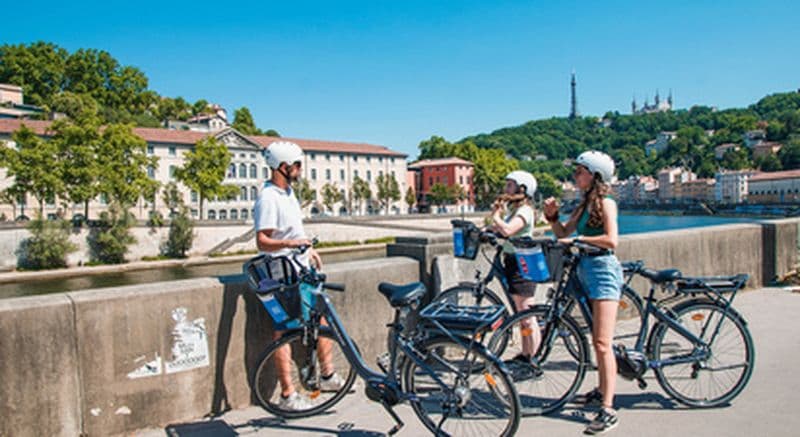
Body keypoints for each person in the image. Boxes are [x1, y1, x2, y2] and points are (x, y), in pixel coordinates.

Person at [253, 141, 343, 411]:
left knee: (321, 318)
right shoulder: (268, 198)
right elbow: (262, 241)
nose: (301, 170)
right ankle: (288, 394)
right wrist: (293, 245)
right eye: (297, 165)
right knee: (283, 330)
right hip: (282, 272)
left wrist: (308, 249)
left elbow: (293, 230)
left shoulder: (288, 192)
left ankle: (326, 375)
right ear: (282, 167)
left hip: (300, 268)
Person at [542, 150, 623, 435]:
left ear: (595, 175)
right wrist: (552, 218)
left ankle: (608, 409)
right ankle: (601, 389)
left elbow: (612, 241)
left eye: (580, 171)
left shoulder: (607, 204)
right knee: (596, 338)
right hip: (584, 269)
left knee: (602, 343)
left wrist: (581, 238)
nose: (575, 176)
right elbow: (563, 234)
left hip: (602, 271)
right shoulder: (583, 205)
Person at [489, 170, 543, 379]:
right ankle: (525, 354)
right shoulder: (515, 209)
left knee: (527, 316)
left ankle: (533, 360)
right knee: (522, 315)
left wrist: (496, 217)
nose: (506, 188)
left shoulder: (525, 211)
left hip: (523, 265)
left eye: (510, 185)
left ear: (523, 188)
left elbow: (509, 230)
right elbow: (500, 228)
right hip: (513, 261)